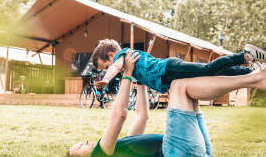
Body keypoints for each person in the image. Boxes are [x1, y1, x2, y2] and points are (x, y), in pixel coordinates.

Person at [67, 50, 266, 157]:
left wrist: (139, 80)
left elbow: (142, 116)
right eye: (79, 146)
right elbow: (119, 116)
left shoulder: (121, 151)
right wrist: (126, 73)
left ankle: (253, 77)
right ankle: (254, 78)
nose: (84, 141)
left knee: (189, 91)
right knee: (178, 85)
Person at [93, 39, 266, 93]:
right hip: (169, 73)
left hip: (168, 69)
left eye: (105, 66)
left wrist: (107, 79)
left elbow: (115, 67)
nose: (109, 68)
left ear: (111, 55)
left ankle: (245, 56)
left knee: (208, 69)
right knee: (209, 74)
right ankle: (248, 71)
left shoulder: (122, 55)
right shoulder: (129, 63)